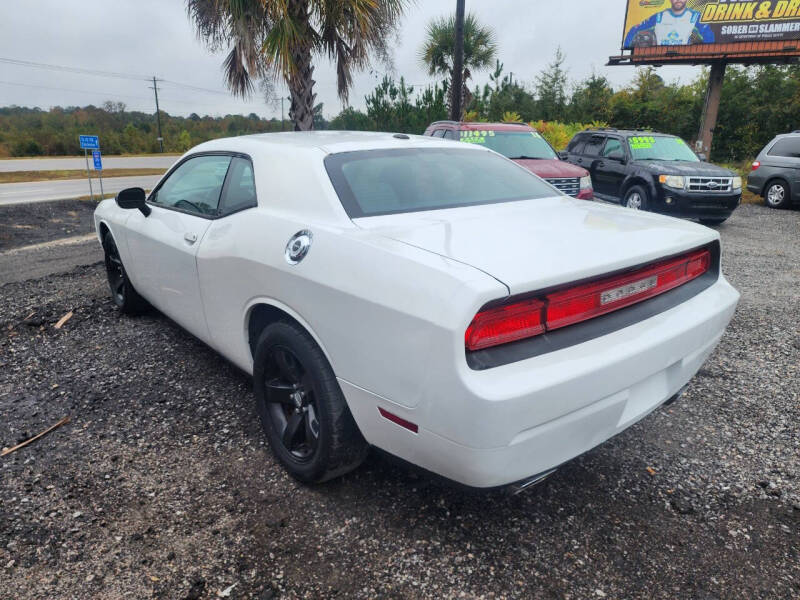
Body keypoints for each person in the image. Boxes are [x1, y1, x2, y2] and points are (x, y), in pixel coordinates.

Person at [625, 0, 714, 47]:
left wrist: (702, 46)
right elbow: (633, 30)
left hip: (686, 54)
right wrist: (627, 47)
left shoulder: (695, 16)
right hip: (658, 55)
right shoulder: (659, 17)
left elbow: (710, 37)